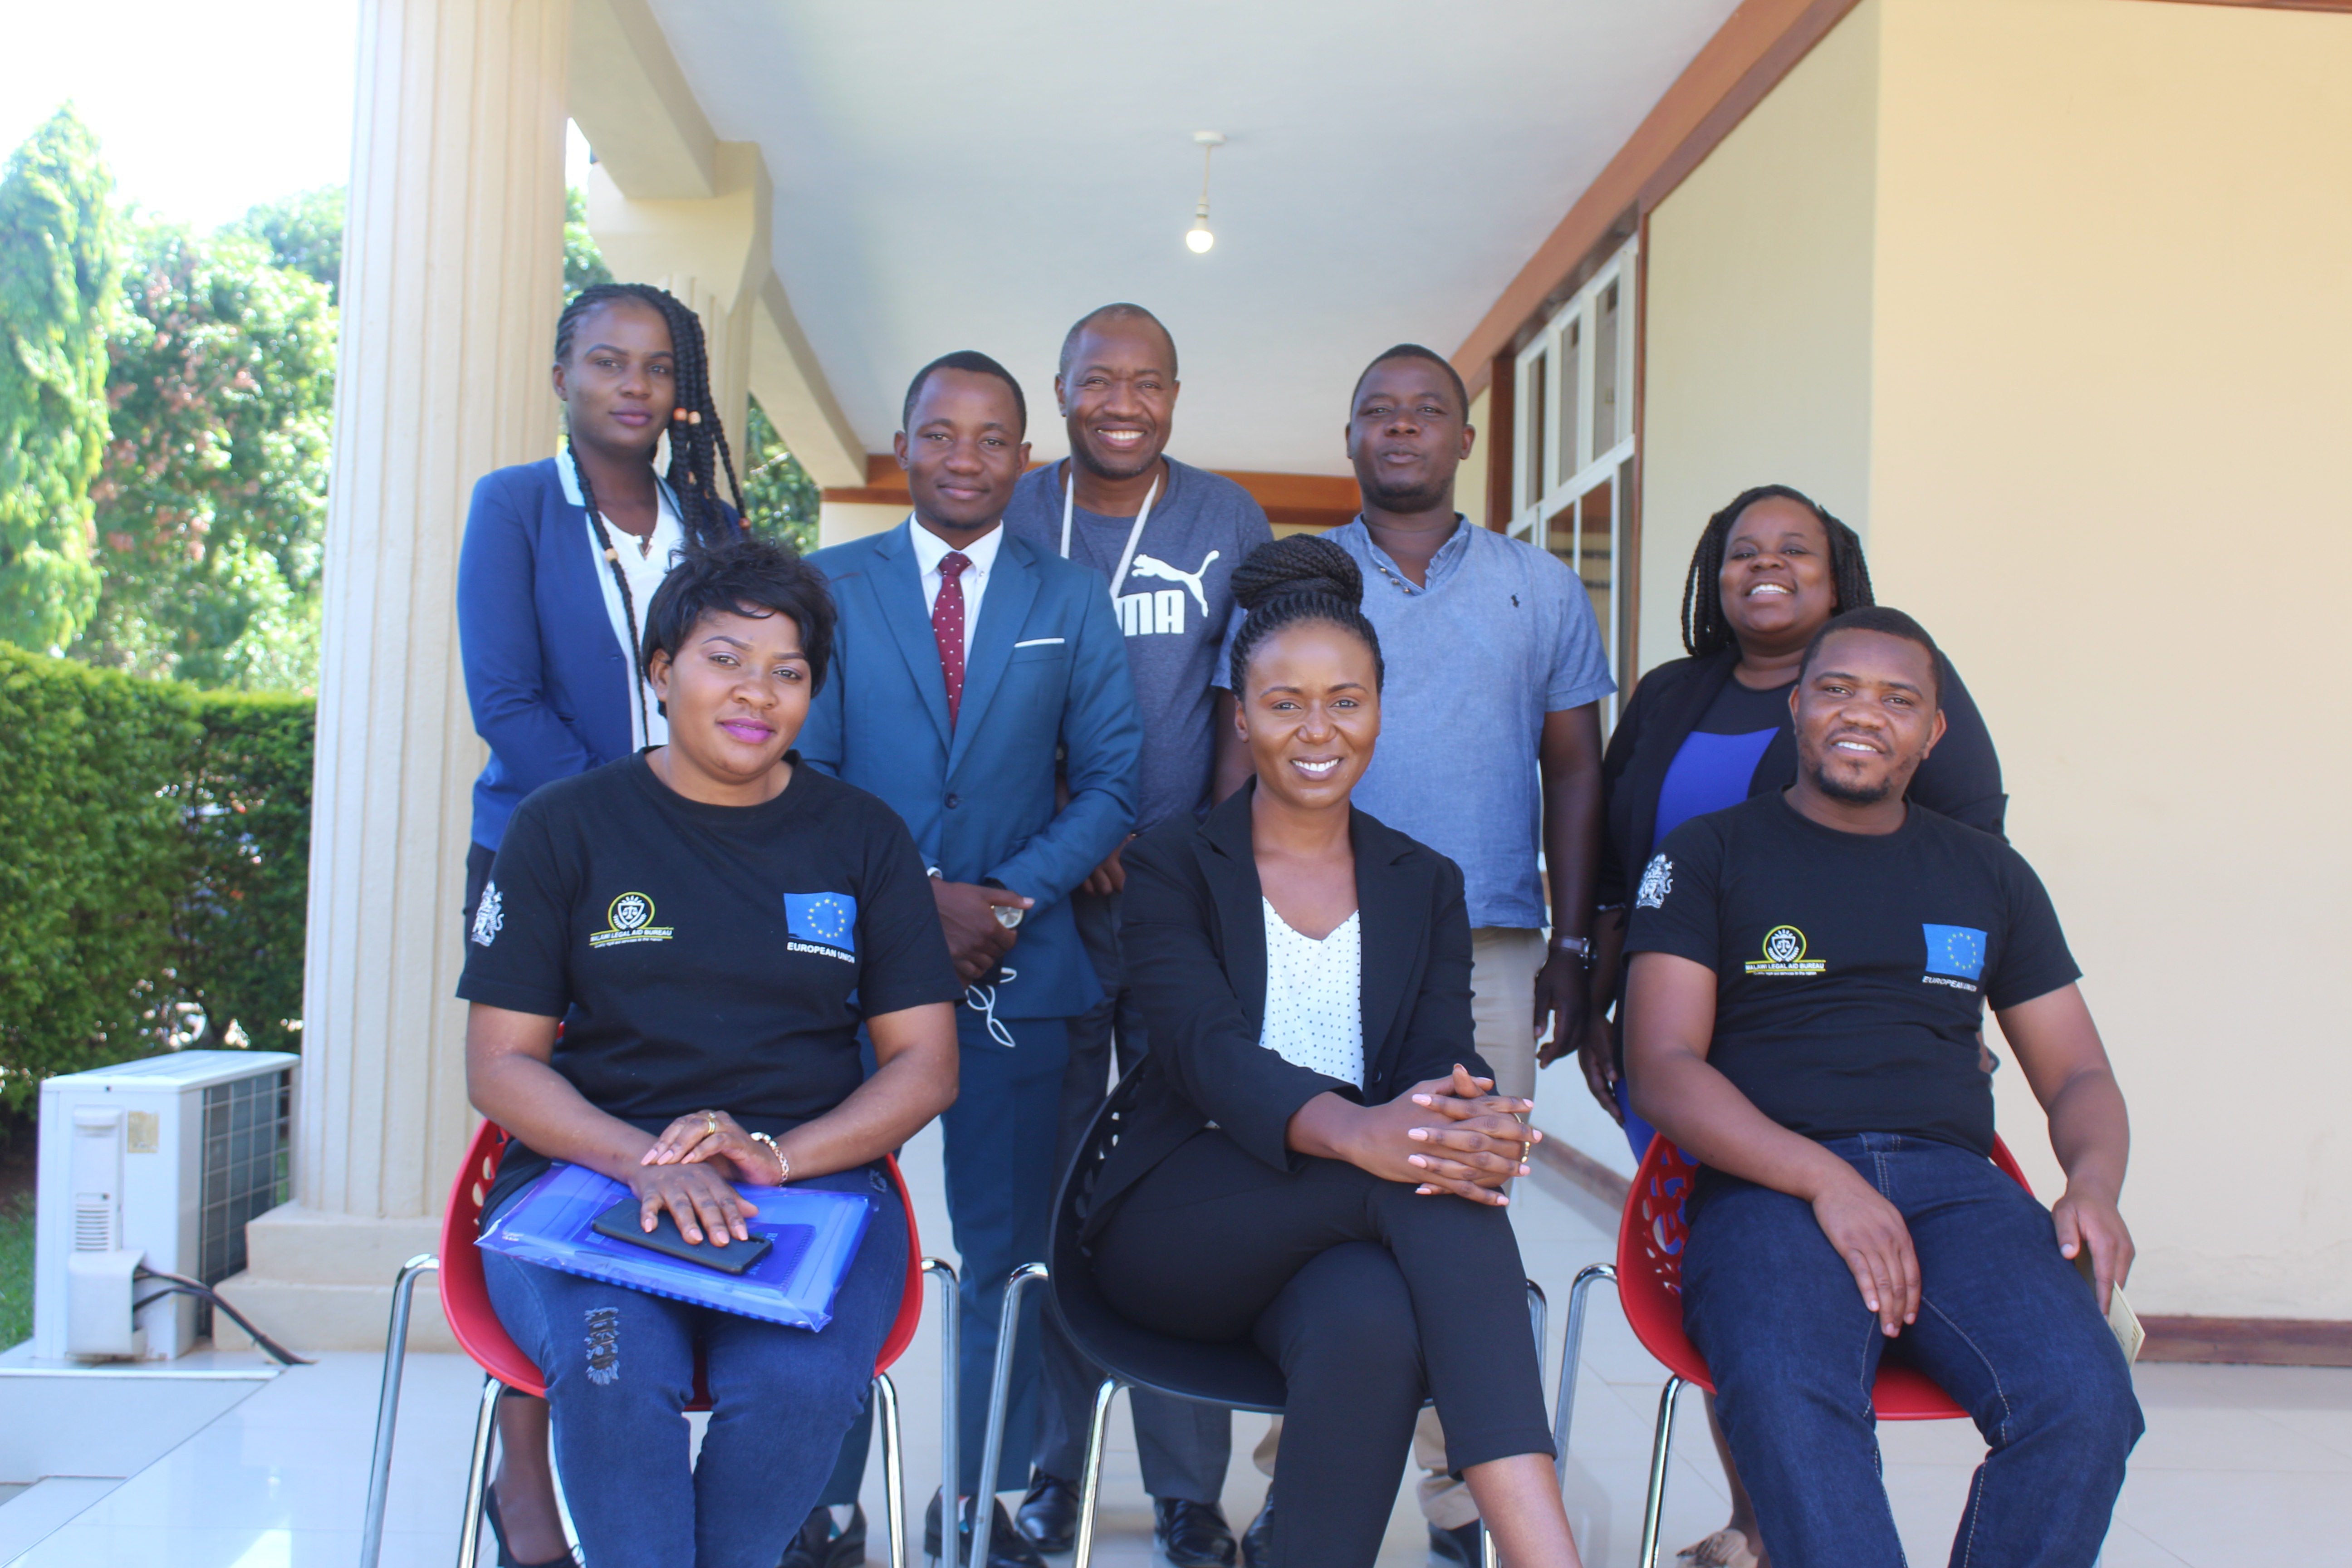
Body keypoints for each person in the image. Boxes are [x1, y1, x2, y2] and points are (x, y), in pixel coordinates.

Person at [458, 537, 963, 1568]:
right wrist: (644, 1161)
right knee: (614, 1372)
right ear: (661, 670)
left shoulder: (863, 838)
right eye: (725, 659)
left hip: (806, 1188)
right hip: (592, 1182)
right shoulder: (564, 827)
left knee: (801, 1382)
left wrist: (775, 1156)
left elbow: (926, 1062)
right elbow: (499, 1063)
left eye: (789, 671)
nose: (757, 694)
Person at [1087, 535, 1585, 1568]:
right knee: (1429, 1192)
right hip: (1180, 1219)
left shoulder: (1425, 881)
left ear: (1379, 709)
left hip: (1338, 1238)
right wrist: (1367, 1135)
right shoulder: (1176, 864)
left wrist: (1468, 1116)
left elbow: (1441, 1053)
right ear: (1241, 715)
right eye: (1285, 704)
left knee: (1372, 1319)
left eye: (1346, 701)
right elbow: (1203, 1051)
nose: (1318, 731)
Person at [1622, 607, 2142, 1568]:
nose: (1864, 714)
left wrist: (2094, 1184)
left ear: (1933, 732)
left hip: (1959, 1190)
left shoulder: (1989, 873)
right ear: (1796, 706)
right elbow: (1661, 1066)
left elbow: (2078, 1071)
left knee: (2086, 1397)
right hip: (1771, 1186)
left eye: (1898, 700)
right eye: (1837, 689)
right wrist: (1826, 1181)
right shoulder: (1708, 854)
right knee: (1788, 1391)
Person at [1574, 485, 2009, 1568]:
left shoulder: (1893, 686)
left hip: (1833, 1035)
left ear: (1836, 571)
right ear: (1714, 574)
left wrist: (1937, 1006)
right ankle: (1762, 1518)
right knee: (1740, 1277)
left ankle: (1805, 1524)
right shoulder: (1674, 694)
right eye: (1742, 551)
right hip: (1682, 1036)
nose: (1765, 566)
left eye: (1794, 550)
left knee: (1819, 1276)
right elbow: (1623, 866)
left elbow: (1970, 848)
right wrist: (1596, 994)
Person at [1232, 344, 1613, 1564]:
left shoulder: (1538, 588)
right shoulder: (1300, 584)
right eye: (1379, 413)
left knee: (1461, 1201)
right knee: (1314, 1201)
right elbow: (1245, 755)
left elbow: (1577, 770)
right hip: (1312, 934)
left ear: (1465, 439)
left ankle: (1463, 1494)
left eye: (1427, 412)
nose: (1403, 429)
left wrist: (1572, 941)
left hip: (1487, 942)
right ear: (1350, 437)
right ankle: (1305, 1480)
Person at [801, 351, 1142, 1568]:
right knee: (836, 1231)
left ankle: (981, 1501)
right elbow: (803, 772)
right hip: (848, 972)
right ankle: (824, 1503)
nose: (964, 458)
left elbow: (1113, 783)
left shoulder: (1073, 598)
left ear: (1025, 459)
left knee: (1011, 1253)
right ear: (902, 446)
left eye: (992, 438)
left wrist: (1004, 903)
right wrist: (915, 904)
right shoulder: (829, 587)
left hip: (1021, 969)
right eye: (940, 434)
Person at [454, 280, 748, 1568]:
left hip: (698, 869)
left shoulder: (714, 526)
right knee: (542, 1124)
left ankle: (655, 1352)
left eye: (657, 367)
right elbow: (506, 698)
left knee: (661, 1094)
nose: (634, 385)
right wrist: (624, 823)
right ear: (563, 373)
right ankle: (523, 1465)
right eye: (607, 361)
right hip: (549, 853)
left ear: (682, 391)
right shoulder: (515, 507)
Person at [1000, 302, 1270, 1566]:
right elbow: (984, 697)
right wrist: (1074, 826)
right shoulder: (1014, 508)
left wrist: (1192, 860)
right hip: (1047, 907)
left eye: (1146, 380)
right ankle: (1051, 1471)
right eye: (1098, 379)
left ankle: (1184, 1491)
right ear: (1061, 390)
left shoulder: (1226, 519)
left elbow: (1244, 702)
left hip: (1180, 912)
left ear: (1175, 392)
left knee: (1181, 1189)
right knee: (1052, 1192)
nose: (1123, 402)